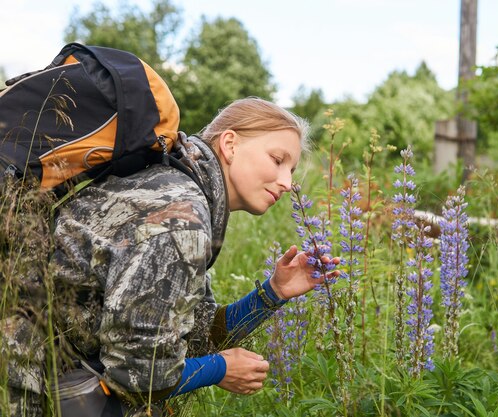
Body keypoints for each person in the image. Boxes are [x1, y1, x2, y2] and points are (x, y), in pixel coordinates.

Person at [3, 97, 339, 416]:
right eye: (277, 160)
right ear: (230, 144)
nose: (285, 183)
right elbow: (136, 376)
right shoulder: (182, 218)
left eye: (292, 170)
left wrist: (272, 294)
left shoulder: (181, 189)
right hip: (20, 373)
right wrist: (220, 369)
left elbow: (195, 337)